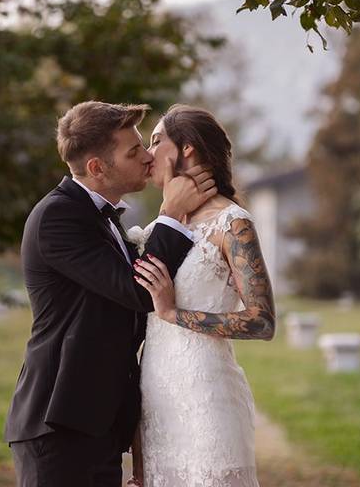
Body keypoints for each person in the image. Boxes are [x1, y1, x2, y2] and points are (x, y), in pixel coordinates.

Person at [4, 101, 218, 487]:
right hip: (58, 422)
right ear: (97, 168)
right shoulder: (58, 216)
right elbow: (137, 292)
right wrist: (171, 212)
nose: (148, 157)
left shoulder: (100, 215)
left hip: (96, 422)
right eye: (134, 151)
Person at [130, 104, 276, 487]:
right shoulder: (159, 229)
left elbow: (262, 321)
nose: (147, 153)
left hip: (208, 405)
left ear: (188, 148)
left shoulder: (232, 224)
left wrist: (173, 313)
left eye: (157, 140)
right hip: (156, 406)